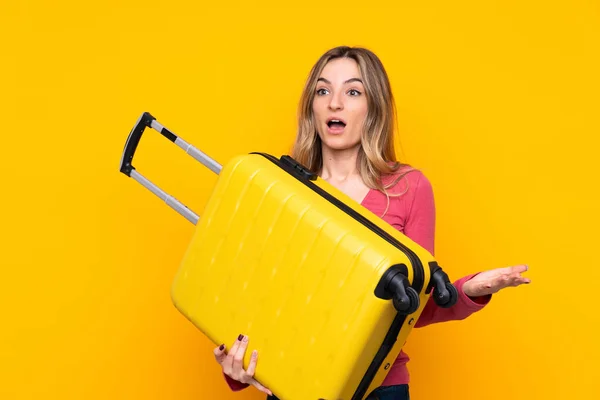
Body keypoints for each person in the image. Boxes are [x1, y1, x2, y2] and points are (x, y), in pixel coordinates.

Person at [211, 45, 531, 400]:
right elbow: (264, 300)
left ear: (373, 108)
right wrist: (237, 368)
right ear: (311, 108)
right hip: (294, 387)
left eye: (352, 91)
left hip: (378, 389)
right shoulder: (284, 190)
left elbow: (412, 308)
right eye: (323, 91)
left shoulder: (409, 188)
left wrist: (469, 290)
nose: (335, 103)